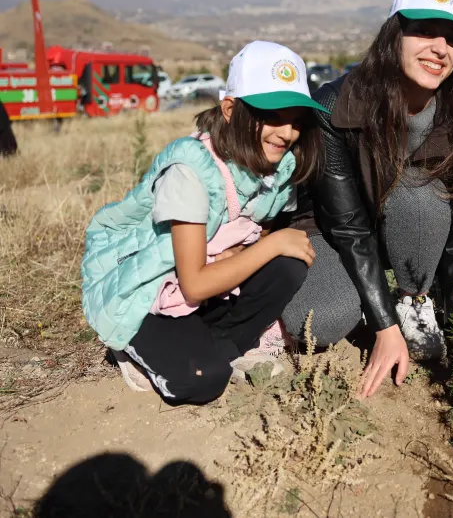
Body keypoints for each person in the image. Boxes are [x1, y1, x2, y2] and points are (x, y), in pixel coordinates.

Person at [282, 0, 453, 398]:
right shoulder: (334, 106)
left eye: (452, 38)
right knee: (316, 322)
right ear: (394, 33)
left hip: (407, 225)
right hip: (334, 233)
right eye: (424, 31)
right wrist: (382, 326)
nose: (439, 49)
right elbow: (348, 227)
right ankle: (373, 308)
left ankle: (414, 301)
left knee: (418, 196)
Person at [80, 41, 326, 404]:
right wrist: (267, 246)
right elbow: (193, 285)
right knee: (201, 379)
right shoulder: (191, 172)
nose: (286, 132)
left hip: (206, 284)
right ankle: (137, 346)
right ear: (230, 109)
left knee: (289, 265)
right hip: (149, 289)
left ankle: (219, 344)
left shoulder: (279, 166)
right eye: (272, 115)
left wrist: (253, 248)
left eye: (296, 120)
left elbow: (264, 229)